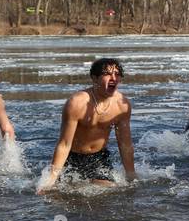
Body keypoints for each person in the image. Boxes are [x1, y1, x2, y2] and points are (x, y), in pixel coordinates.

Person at [38, 58, 135, 191]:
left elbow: (125, 145)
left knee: (112, 189)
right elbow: (64, 144)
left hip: (99, 158)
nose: (113, 78)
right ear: (94, 78)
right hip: (72, 158)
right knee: (62, 192)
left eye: (117, 74)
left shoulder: (122, 106)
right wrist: (50, 180)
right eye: (107, 74)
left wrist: (131, 176)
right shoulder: (77, 103)